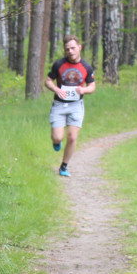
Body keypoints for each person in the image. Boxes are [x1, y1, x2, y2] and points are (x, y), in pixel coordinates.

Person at [45, 35, 97, 177]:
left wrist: (84, 90)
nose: (71, 51)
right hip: (59, 105)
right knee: (57, 137)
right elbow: (48, 80)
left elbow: (92, 86)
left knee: (72, 138)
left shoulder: (86, 67)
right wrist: (56, 89)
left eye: (73, 48)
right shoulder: (59, 64)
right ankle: (57, 141)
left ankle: (64, 166)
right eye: (67, 49)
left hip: (76, 105)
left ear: (79, 48)